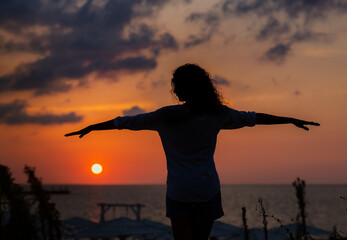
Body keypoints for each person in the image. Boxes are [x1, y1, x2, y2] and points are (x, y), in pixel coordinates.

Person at [65, 63, 319, 240]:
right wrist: (289, 119)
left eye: (176, 85)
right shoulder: (218, 114)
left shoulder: (167, 116)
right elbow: (254, 118)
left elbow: (124, 122)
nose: (174, 90)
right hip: (208, 190)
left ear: (186, 88)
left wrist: (92, 127)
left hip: (179, 192)